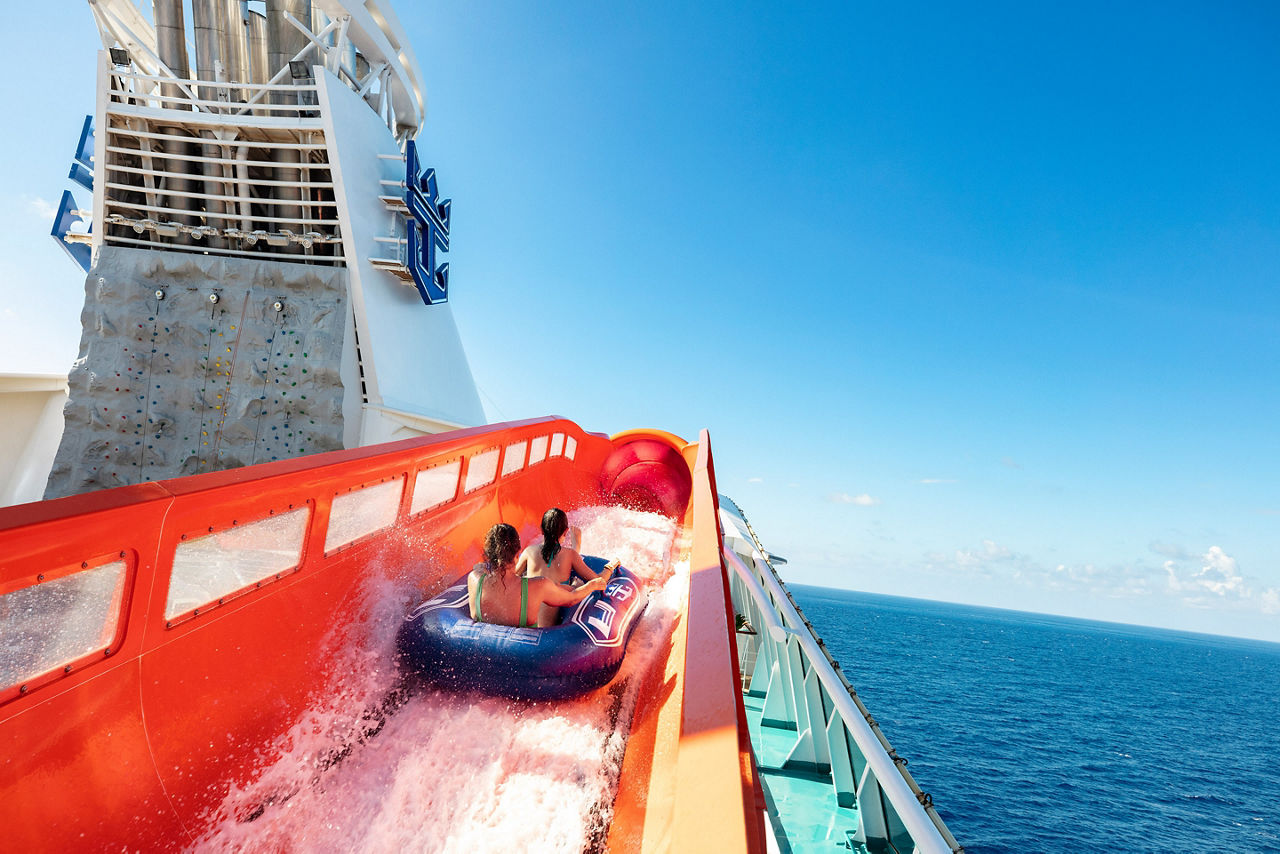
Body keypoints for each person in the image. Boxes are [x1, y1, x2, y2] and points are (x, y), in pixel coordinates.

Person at [468, 523, 606, 628]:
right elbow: (571, 599)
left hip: (486, 657)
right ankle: (576, 549)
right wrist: (592, 585)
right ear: (517, 555)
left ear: (487, 556)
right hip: (526, 659)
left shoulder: (474, 579)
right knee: (565, 586)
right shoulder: (538, 586)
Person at [516, 508, 620, 627]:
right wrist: (611, 566)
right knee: (576, 585)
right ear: (565, 532)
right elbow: (598, 581)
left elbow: (510, 580)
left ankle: (576, 546)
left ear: (541, 530)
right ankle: (577, 546)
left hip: (525, 626)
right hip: (547, 630)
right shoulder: (570, 555)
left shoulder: (528, 552)